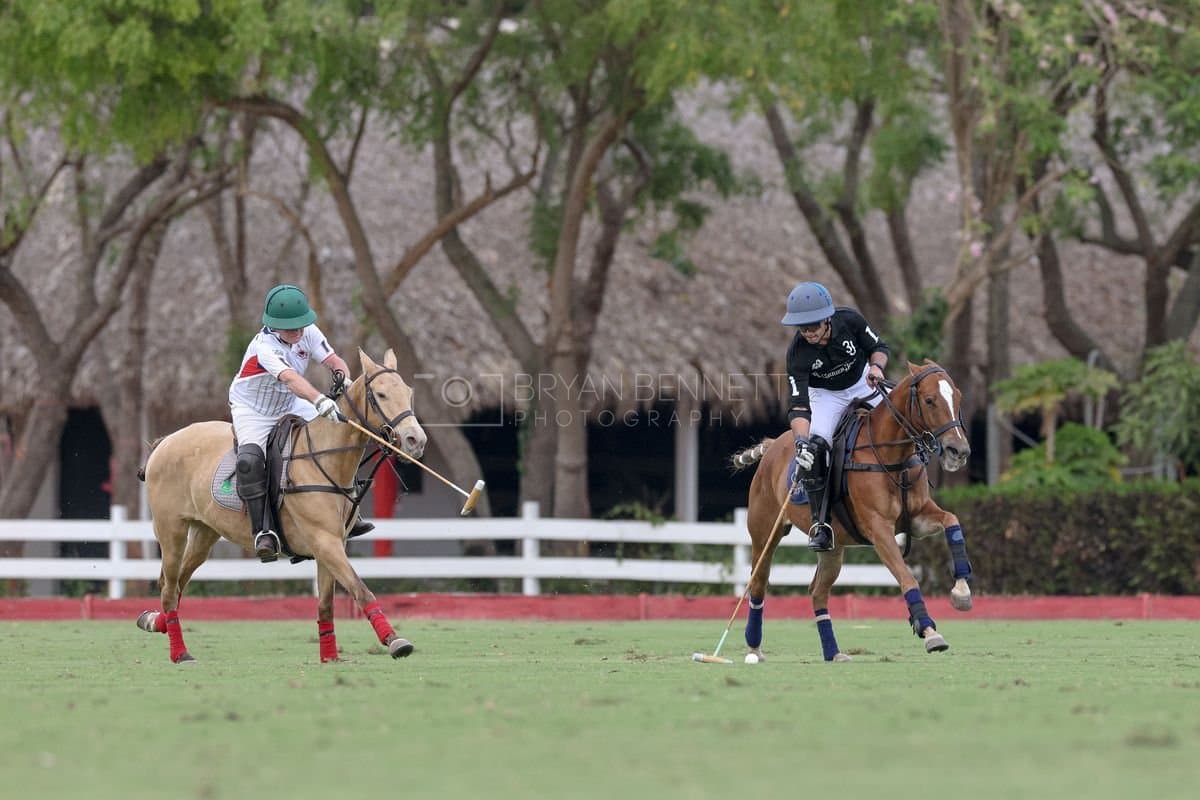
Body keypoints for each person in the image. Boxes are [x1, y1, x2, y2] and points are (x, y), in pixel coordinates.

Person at [229, 284, 372, 562]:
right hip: (253, 410)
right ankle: (263, 532)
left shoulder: (308, 332)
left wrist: (345, 380)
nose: (297, 331)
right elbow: (292, 380)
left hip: (289, 402)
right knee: (249, 460)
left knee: (340, 432)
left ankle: (350, 514)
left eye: (301, 325)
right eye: (290, 327)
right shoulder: (264, 348)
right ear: (273, 326)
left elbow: (333, 360)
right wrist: (319, 400)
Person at [781, 281, 890, 551]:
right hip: (825, 396)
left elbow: (879, 346)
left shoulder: (849, 320)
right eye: (802, 327)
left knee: (902, 415)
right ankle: (821, 524)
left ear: (827, 319)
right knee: (817, 449)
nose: (808, 332)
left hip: (863, 382)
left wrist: (876, 367)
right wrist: (801, 441)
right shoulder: (797, 354)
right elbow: (799, 404)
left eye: (813, 326)